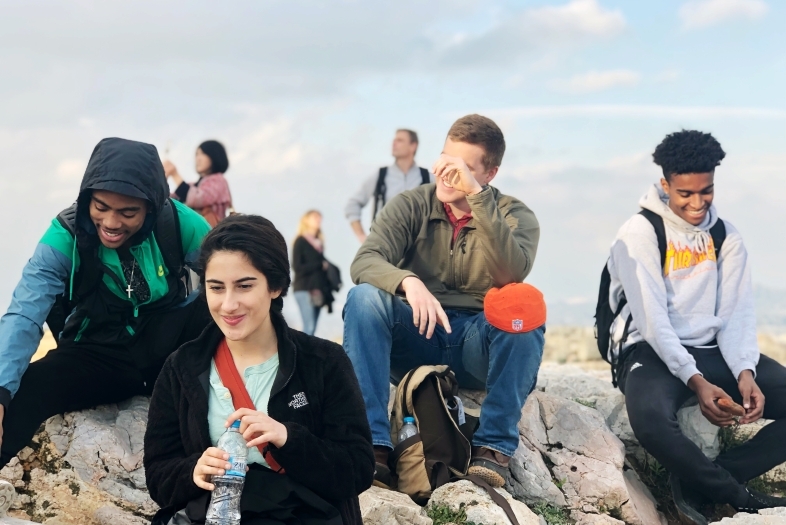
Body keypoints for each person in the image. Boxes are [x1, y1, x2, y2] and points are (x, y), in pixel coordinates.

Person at [343, 114, 544, 488]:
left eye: (465, 167)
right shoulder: (410, 205)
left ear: (490, 174)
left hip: (477, 343)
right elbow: (365, 260)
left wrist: (478, 200)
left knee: (524, 303)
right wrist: (407, 281)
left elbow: (509, 274)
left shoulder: (515, 215)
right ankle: (372, 447)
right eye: (446, 159)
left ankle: (494, 447)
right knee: (364, 297)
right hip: (418, 332)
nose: (448, 173)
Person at [144, 214, 374, 525]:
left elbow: (357, 469)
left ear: (275, 286)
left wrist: (287, 438)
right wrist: (193, 470)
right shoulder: (182, 367)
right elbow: (158, 474)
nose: (228, 304)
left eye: (244, 286)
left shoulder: (323, 361)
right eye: (216, 287)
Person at [606, 130, 786, 523]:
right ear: (666, 184)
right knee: (650, 420)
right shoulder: (640, 232)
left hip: (713, 348)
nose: (697, 202)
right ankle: (735, 496)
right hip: (650, 350)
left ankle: (702, 483)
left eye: (706, 191)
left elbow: (737, 312)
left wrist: (745, 371)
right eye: (685, 193)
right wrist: (696, 382)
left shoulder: (726, 235)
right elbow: (652, 321)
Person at [0, 138, 212, 469]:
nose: (112, 223)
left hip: (171, 351)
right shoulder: (64, 236)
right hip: (100, 353)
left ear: (152, 207)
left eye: (128, 212)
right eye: (100, 207)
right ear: (86, 198)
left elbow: (235, 278)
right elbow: (24, 315)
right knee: (26, 390)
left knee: (215, 304)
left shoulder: (183, 225)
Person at [344, 129, 433, 243]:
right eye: (394, 140)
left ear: (413, 146)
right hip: (384, 248)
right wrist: (362, 237)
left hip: (419, 250)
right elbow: (352, 205)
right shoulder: (380, 176)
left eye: (400, 140)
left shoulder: (427, 178)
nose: (394, 143)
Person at [164, 140, 233, 227]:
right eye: (197, 154)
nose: (198, 158)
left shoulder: (219, 180)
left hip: (210, 234)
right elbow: (172, 200)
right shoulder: (194, 186)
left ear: (215, 155)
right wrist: (162, 178)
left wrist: (175, 174)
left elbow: (198, 199)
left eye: (203, 153)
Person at [292, 210, 333, 336]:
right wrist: (319, 265)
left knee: (312, 329)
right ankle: (300, 355)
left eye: (319, 217)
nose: (318, 219)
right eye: (315, 217)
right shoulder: (300, 241)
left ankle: (305, 355)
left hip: (318, 290)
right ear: (306, 220)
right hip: (304, 289)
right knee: (308, 328)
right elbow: (297, 267)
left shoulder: (319, 244)